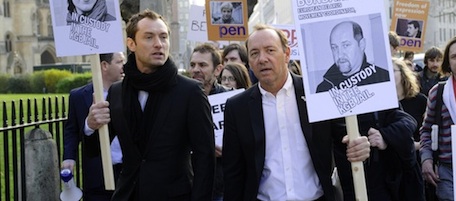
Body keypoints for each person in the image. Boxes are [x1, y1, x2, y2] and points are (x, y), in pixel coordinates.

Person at [223, 24, 371, 201]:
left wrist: (358, 144)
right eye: (254, 53)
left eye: (270, 50)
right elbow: (233, 172)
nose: (262, 59)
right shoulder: (237, 107)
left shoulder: (318, 93)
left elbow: (344, 139)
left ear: (286, 55)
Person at [86, 9, 215, 200]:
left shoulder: (189, 92)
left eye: (163, 37)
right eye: (149, 37)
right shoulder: (117, 92)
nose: (158, 44)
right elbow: (96, 149)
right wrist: (91, 125)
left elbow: (205, 156)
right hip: (129, 194)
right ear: (131, 44)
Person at [62, 52, 125, 201]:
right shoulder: (78, 96)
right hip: (96, 177)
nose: (124, 67)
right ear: (104, 65)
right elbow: (71, 130)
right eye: (119, 62)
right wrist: (69, 157)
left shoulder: (130, 93)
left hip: (127, 174)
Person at [189, 43, 227, 201]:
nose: (196, 69)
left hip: (220, 186)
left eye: (202, 65)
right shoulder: (181, 98)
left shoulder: (231, 100)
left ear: (218, 70)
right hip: (188, 184)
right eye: (192, 65)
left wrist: (228, 149)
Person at [420, 37, 456, 201]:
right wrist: (426, 159)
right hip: (447, 171)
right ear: (448, 62)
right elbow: (426, 130)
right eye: (455, 56)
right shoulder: (438, 92)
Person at [316, 21, 390, 93]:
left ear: (362, 44)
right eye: (334, 47)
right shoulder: (324, 89)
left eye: (346, 45)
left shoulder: (383, 78)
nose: (340, 55)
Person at [393, 58, 427, 157]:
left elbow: (431, 132)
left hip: (418, 158)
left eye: (393, 71)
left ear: (403, 74)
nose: (389, 75)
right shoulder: (382, 105)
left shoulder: (420, 100)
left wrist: (416, 146)